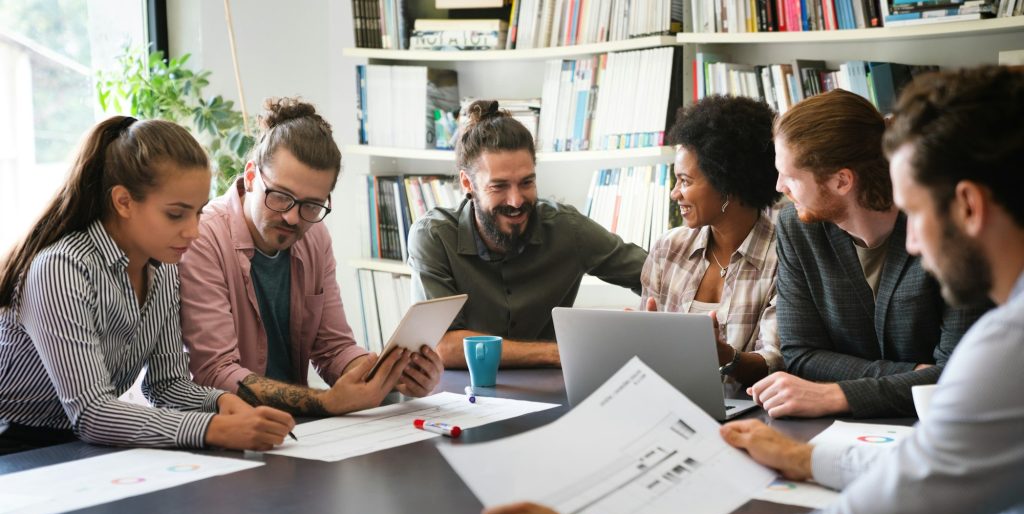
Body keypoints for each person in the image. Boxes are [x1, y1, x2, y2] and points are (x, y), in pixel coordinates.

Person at [480, 66, 1024, 514]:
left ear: (968, 206)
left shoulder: (1005, 352)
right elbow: (936, 461)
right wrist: (814, 463)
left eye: (914, 212)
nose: (911, 241)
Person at [0, 117, 294, 454]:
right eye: (175, 214)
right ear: (123, 201)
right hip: (15, 449)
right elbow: (93, 413)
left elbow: (167, 385)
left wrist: (222, 402)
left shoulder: (164, 268)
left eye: (198, 213)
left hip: (82, 446)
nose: (193, 232)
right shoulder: (62, 268)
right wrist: (214, 428)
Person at [178, 98, 443, 416]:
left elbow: (334, 349)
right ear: (251, 176)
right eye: (280, 196)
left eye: (311, 206)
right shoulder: (202, 237)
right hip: (220, 430)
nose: (292, 217)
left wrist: (390, 375)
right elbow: (215, 373)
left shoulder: (314, 236)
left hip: (296, 430)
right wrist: (325, 402)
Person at [749, 89, 986, 419]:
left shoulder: (941, 228)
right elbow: (800, 354)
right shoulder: (797, 227)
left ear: (841, 181)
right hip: (844, 432)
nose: (779, 187)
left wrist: (837, 394)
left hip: (947, 427)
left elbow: (959, 378)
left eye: (790, 176)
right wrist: (916, 373)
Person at [407, 100, 648, 369]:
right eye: (499, 186)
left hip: (552, 396)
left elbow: (659, 275)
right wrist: (557, 353)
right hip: (463, 399)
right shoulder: (434, 237)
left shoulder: (568, 228)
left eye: (527, 183)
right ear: (467, 183)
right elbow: (444, 347)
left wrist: (654, 324)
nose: (516, 200)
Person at [640, 95, 782, 392]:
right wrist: (636, 339)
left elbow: (776, 363)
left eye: (685, 181)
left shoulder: (782, 257)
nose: (675, 193)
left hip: (748, 417)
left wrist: (723, 356)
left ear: (727, 182)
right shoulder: (669, 248)